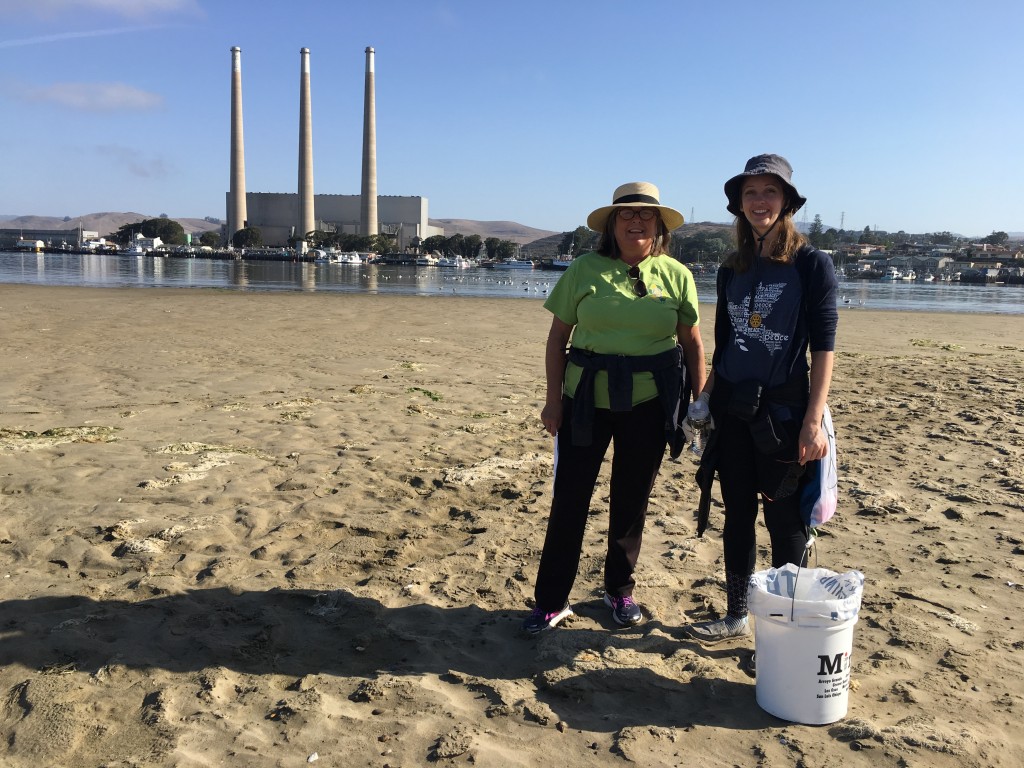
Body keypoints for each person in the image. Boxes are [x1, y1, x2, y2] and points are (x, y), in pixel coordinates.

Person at [522, 182, 707, 634]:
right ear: (612, 224)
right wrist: (552, 400)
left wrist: (700, 404)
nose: (637, 222)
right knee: (570, 499)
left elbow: (693, 342)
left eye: (647, 215)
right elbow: (556, 339)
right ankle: (551, 600)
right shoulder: (583, 270)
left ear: (659, 226)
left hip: (650, 401)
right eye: (627, 215)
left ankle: (619, 591)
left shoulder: (677, 274)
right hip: (585, 399)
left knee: (631, 501)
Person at [686, 154, 838, 642]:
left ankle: (785, 627)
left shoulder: (811, 263)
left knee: (783, 520)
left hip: (784, 412)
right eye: (751, 193)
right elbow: (726, 341)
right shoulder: (732, 268)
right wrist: (704, 399)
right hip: (732, 408)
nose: (760, 201)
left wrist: (813, 423)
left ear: (787, 201)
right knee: (737, 515)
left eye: (770, 192)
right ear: (739, 204)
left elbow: (824, 348)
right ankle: (735, 615)